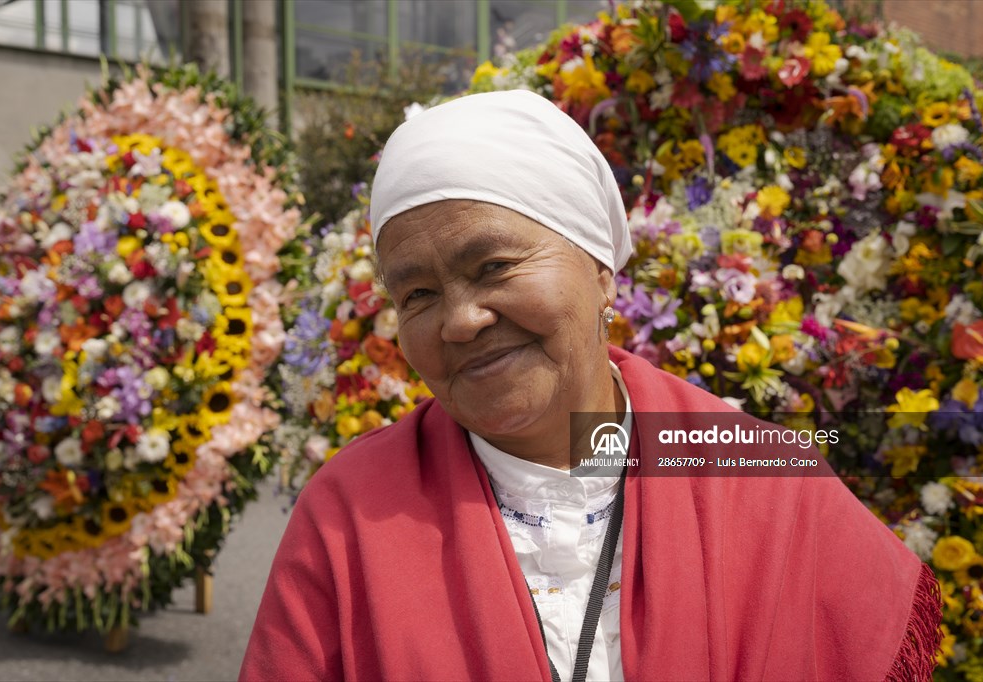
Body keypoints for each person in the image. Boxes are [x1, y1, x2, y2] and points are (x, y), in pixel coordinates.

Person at [240, 90, 942, 681]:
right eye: (418, 293)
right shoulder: (349, 511)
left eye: (492, 267)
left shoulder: (759, 472)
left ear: (602, 270)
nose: (459, 321)